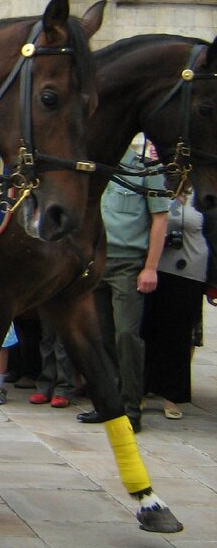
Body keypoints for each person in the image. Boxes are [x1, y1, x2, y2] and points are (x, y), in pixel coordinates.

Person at [78, 140, 169, 433]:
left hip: (128, 263)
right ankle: (108, 405)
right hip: (96, 261)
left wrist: (151, 267)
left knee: (126, 337)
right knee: (101, 338)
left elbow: (160, 218)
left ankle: (131, 408)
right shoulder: (99, 163)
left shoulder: (144, 167)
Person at [141, 195, 207, 420]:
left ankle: (172, 395)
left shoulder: (201, 192)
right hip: (156, 268)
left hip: (191, 272)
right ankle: (141, 389)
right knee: (148, 329)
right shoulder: (157, 185)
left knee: (179, 335)